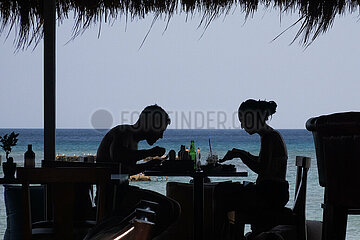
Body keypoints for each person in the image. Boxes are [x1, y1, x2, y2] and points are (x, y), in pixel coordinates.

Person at [96, 105, 180, 238]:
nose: (161, 136)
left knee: (173, 208)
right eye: (161, 131)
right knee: (169, 208)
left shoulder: (131, 138)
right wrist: (150, 153)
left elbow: (123, 170)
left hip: (120, 194)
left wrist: (148, 164)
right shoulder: (122, 132)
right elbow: (118, 156)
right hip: (113, 198)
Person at [214, 99, 289, 238]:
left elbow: (262, 168)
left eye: (243, 120)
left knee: (221, 193)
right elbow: (264, 162)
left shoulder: (269, 137)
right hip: (274, 192)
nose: (242, 126)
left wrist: (241, 155)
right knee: (226, 191)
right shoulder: (270, 135)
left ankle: (226, 236)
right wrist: (241, 153)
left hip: (271, 194)